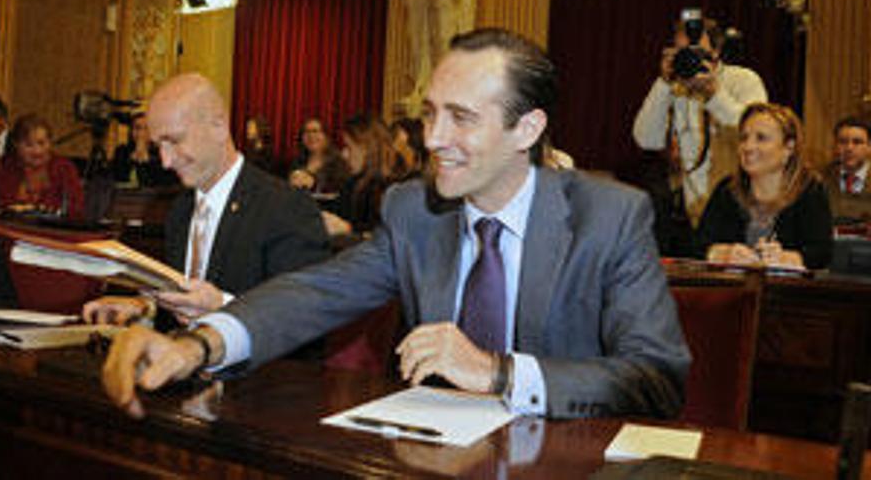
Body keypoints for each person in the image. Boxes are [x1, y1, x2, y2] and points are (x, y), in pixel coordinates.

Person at [101, 29, 690, 421]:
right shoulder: (415, 210)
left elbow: (657, 378)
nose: (433, 139)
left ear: (527, 130)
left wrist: (498, 372)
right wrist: (197, 344)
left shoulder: (610, 216)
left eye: (461, 119)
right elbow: (315, 293)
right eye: (431, 114)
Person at [83, 73, 330, 326]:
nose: (166, 162)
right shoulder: (180, 210)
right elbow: (182, 307)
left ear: (219, 126)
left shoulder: (287, 208)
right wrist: (143, 308)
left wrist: (224, 309)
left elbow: (303, 318)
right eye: (159, 147)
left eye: (175, 141)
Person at [633, 12, 768, 255]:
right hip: (690, 215)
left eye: (697, 52)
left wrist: (714, 94)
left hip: (738, 209)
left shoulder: (743, 80)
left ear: (715, 52)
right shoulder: (675, 87)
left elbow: (756, 132)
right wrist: (663, 83)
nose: (690, 60)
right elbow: (646, 139)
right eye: (683, 53)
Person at [696, 103, 833, 269]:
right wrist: (721, 253)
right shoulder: (727, 190)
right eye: (744, 138)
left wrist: (787, 258)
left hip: (787, 293)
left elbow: (821, 254)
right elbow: (697, 246)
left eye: (761, 138)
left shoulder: (810, 190)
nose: (747, 147)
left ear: (789, 147)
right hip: (733, 290)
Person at [0, 113, 84, 219]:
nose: (37, 151)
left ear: (50, 142)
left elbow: (76, 210)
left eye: (41, 143)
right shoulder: (1, 168)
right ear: (16, 144)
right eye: (28, 145)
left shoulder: (64, 168)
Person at [821, 116, 871, 221]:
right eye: (843, 142)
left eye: (857, 142)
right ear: (835, 146)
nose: (849, 148)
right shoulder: (819, 179)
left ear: (869, 147)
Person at [111, 113, 178, 187]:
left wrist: (147, 160)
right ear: (131, 131)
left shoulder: (162, 152)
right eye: (137, 128)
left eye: (146, 128)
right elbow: (118, 177)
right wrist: (133, 159)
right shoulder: (122, 151)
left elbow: (165, 181)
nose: (141, 133)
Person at [288, 117, 350, 195]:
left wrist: (314, 184)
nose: (311, 136)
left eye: (315, 131)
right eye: (306, 132)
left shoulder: (338, 163)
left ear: (326, 136)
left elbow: (341, 190)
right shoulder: (297, 162)